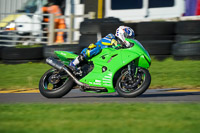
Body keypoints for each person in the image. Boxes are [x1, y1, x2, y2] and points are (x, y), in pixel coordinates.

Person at [69, 26, 135, 70]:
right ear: (122, 33)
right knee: (96, 48)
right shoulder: (111, 36)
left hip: (102, 62)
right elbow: (106, 40)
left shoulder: (122, 48)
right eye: (127, 37)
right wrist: (114, 42)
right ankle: (73, 63)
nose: (128, 39)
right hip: (93, 55)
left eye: (130, 38)